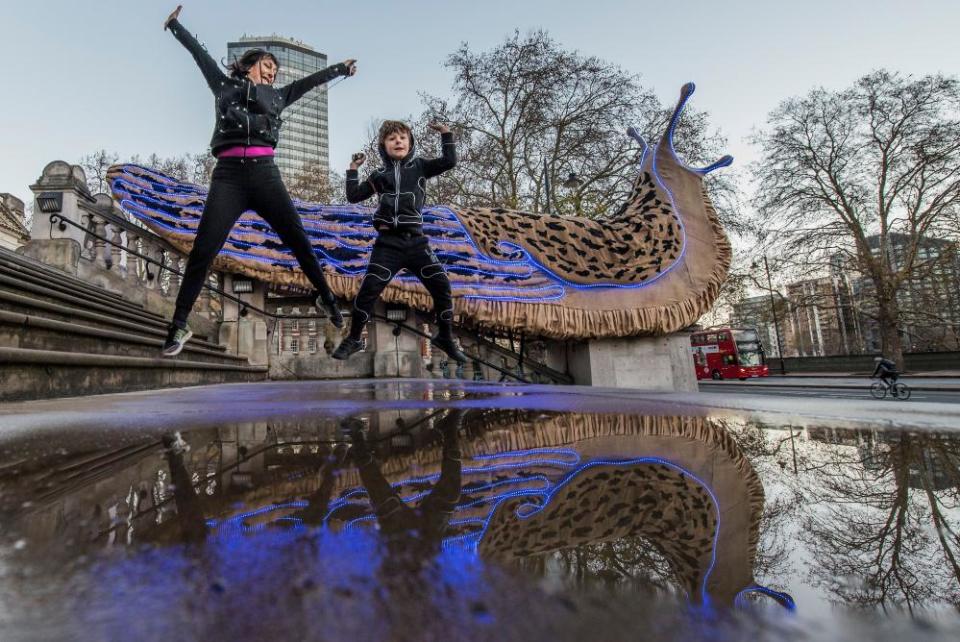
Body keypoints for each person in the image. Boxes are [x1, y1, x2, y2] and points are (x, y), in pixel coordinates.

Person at [160, 5, 356, 356]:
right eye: (268, 65)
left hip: (265, 176)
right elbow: (199, 54)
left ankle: (326, 298)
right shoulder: (223, 85)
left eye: (276, 70)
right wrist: (176, 26)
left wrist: (341, 68)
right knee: (204, 249)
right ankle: (178, 325)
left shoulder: (278, 96)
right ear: (251, 64)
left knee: (297, 238)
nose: (272, 72)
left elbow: (312, 82)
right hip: (229, 177)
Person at [331, 120, 467, 363]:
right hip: (388, 244)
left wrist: (446, 134)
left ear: (411, 142)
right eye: (392, 138)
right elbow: (353, 196)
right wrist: (353, 168)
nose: (398, 142)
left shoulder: (421, 167)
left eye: (403, 137)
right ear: (384, 145)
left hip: (416, 243)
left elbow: (450, 161)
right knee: (367, 291)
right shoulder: (379, 176)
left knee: (442, 287)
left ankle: (444, 336)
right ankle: (353, 338)